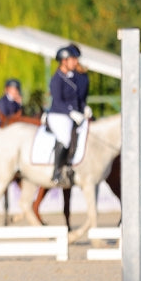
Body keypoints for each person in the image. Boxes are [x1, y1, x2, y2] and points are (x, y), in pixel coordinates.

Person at [47, 45, 90, 186]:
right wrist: (71, 112)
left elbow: (77, 99)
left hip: (72, 114)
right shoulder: (57, 79)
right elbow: (58, 102)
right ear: (64, 61)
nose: (76, 62)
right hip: (59, 115)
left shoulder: (71, 77)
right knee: (65, 139)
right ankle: (57, 172)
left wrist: (84, 108)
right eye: (72, 59)